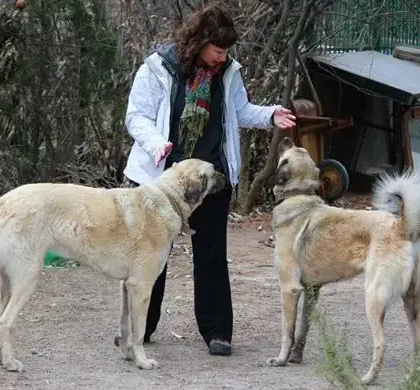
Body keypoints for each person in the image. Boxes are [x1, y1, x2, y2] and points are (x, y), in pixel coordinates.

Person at [120, 2, 297, 356]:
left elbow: (241, 111)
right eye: (217, 50)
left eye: (225, 51)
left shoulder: (228, 71)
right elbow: (136, 116)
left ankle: (218, 332)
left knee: (212, 254)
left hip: (210, 178)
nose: (222, 57)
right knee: (151, 254)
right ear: (198, 42)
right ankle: (139, 327)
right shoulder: (158, 68)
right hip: (162, 180)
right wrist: (157, 144)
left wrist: (270, 115)